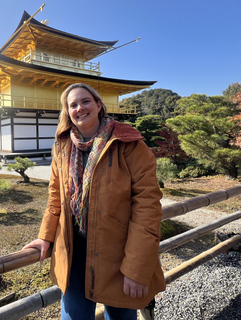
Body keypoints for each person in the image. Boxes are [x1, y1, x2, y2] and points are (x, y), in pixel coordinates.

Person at [23, 83, 165, 320]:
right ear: (67, 112)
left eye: (85, 101)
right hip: (73, 251)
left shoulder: (128, 143)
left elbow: (147, 206)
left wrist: (136, 268)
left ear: (99, 105)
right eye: (73, 105)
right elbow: (55, 196)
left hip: (119, 254)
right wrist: (45, 236)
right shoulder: (63, 146)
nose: (80, 108)